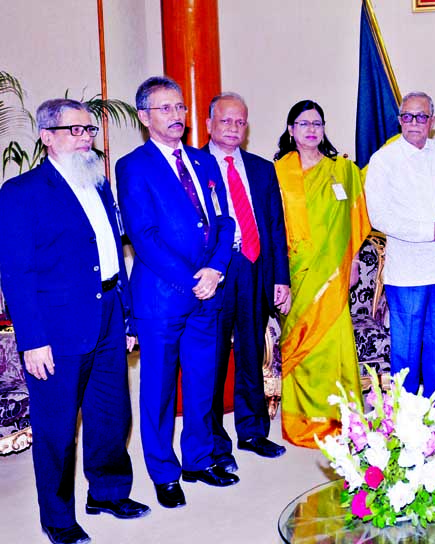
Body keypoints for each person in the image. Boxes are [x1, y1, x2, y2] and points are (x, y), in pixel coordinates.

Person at [0, 99, 149, 544]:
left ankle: (107, 491)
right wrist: (32, 340)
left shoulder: (98, 184)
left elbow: (114, 256)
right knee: (57, 427)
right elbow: (16, 273)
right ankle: (58, 518)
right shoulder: (21, 192)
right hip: (55, 327)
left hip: (106, 314)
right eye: (76, 130)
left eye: (89, 131)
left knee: (111, 412)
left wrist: (127, 317)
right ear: (47, 137)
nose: (87, 139)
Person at [117, 76, 238, 509]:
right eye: (165, 109)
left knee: (204, 382)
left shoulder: (205, 163)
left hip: (208, 293)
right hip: (163, 298)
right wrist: (195, 278)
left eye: (181, 107)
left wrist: (216, 269)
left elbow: (226, 223)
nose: (177, 116)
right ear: (144, 117)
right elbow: (144, 237)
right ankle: (164, 472)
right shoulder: (133, 166)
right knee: (159, 389)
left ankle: (199, 458)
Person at [366, 92, 435, 428]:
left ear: (432, 121)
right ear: (399, 120)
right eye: (407, 117)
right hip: (408, 271)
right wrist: (429, 230)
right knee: (406, 348)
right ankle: (405, 415)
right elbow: (379, 217)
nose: (413, 123)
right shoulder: (384, 160)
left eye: (421, 117)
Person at [274, 100, 370, 447]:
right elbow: (273, 227)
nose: (311, 129)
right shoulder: (278, 172)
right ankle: (303, 419)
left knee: (334, 345)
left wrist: (355, 260)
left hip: (334, 273)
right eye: (303, 124)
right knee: (302, 345)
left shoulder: (342, 170)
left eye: (317, 123)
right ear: (291, 130)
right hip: (296, 273)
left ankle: (339, 417)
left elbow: (355, 220)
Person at [202, 92, 290, 467]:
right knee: (214, 357)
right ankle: (213, 439)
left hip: (255, 267)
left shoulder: (260, 168)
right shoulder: (195, 165)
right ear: (209, 125)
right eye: (226, 121)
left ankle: (253, 431)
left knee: (253, 352)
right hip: (216, 272)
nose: (233, 128)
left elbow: (275, 226)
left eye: (240, 122)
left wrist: (279, 278)